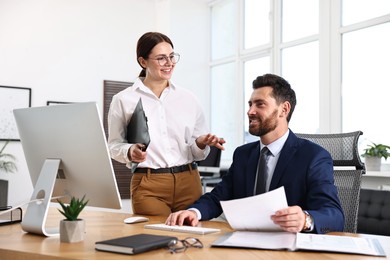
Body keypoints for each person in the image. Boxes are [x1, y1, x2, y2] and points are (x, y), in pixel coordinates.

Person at [165, 73, 344, 234]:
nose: (250, 111)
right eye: (250, 104)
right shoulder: (243, 154)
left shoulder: (313, 156)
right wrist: (192, 212)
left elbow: (334, 215)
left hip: (289, 247)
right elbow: (218, 197)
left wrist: (305, 219)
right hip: (245, 242)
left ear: (284, 109)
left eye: (260, 104)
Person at [107, 32, 225, 216]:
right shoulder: (123, 100)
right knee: (154, 237)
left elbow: (195, 153)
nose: (169, 63)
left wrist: (201, 143)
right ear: (143, 62)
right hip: (149, 184)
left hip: (189, 181)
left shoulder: (189, 99)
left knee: (193, 240)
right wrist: (130, 151)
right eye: (161, 58)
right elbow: (113, 146)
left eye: (171, 57)